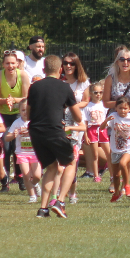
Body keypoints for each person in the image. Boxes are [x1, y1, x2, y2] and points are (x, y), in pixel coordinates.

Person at [27, 55, 84, 218]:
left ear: (44, 70)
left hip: (36, 132)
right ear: (60, 70)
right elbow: (78, 118)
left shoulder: (34, 87)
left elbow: (28, 114)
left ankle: (43, 208)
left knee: (51, 167)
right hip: (55, 130)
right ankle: (60, 201)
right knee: (70, 162)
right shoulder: (65, 87)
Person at [0, 50, 31, 191]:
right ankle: (5, 180)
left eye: (13, 63)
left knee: (18, 147)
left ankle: (20, 177)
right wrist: (5, 100)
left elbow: (26, 97)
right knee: (5, 146)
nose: (10, 66)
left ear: (18, 64)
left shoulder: (23, 75)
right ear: (3, 64)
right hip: (3, 115)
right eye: (7, 63)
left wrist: (14, 100)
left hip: (18, 115)